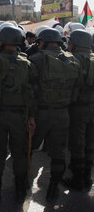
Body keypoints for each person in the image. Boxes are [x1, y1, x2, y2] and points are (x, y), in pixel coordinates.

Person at [29, 28, 81, 202]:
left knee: (27, 147)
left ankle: (22, 184)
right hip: (63, 113)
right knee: (58, 153)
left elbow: (30, 92)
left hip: (40, 113)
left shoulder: (36, 59)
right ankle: (53, 188)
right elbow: (76, 91)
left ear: (43, 42)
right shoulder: (74, 60)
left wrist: (30, 115)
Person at [0, 26, 36, 203]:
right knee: (19, 153)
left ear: (2, 41)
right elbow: (33, 92)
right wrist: (31, 117)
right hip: (20, 116)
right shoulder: (27, 63)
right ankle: (20, 190)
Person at [63, 29, 94, 191]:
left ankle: (77, 179)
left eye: (69, 42)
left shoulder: (72, 60)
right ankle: (88, 177)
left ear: (75, 44)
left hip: (77, 108)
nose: (68, 45)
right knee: (90, 143)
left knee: (77, 144)